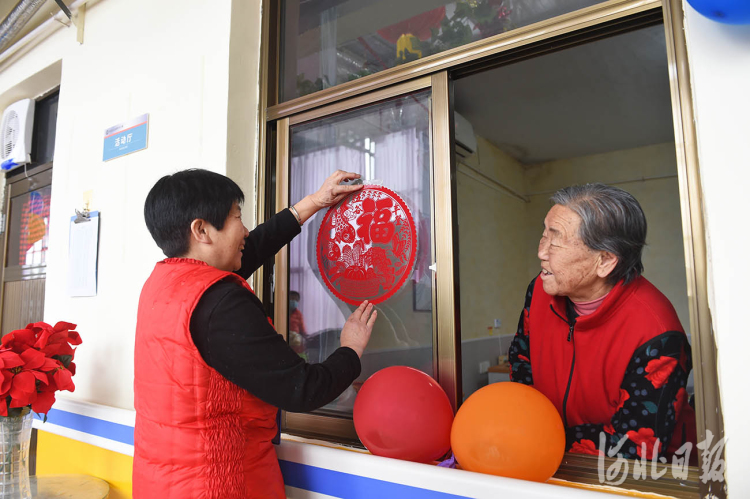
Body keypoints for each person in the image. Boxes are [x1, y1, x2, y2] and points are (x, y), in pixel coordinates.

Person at [133, 169, 377, 498]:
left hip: (162, 482)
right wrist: (350, 349)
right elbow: (302, 389)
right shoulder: (221, 304)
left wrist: (314, 202)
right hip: (218, 484)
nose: (245, 230)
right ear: (201, 229)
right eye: (236, 217)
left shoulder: (163, 285)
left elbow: (253, 247)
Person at [509, 183, 695, 460]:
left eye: (556, 241)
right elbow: (522, 366)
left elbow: (634, 445)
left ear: (605, 261)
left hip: (645, 474)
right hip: (550, 455)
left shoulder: (657, 332)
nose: (542, 252)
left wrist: (543, 438)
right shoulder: (539, 290)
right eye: (543, 235)